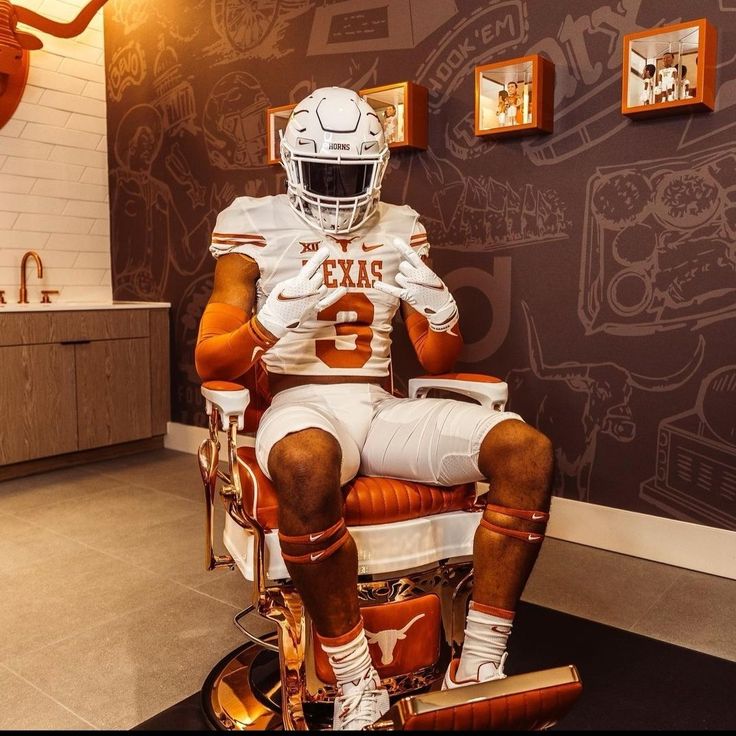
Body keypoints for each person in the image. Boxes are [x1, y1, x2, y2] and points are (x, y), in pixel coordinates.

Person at [195, 86, 554, 731]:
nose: (338, 189)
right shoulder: (254, 220)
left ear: (378, 169)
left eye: (352, 174)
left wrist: (440, 306)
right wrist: (269, 323)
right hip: (300, 402)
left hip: (378, 406)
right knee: (307, 462)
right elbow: (210, 360)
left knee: (526, 451)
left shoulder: (400, 223)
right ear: (292, 163)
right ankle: (358, 681)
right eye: (325, 172)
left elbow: (437, 359)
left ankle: (477, 663)